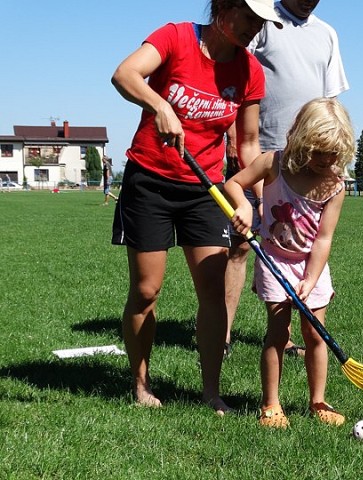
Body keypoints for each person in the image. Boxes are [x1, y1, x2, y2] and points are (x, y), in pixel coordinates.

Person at [110, 0, 282, 411]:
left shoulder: (249, 71)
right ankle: (141, 385)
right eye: (248, 17)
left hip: (205, 190)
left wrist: (255, 204)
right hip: (150, 181)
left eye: (261, 22)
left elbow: (247, 143)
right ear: (223, 7)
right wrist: (160, 105)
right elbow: (124, 74)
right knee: (147, 290)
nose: (254, 29)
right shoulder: (175, 37)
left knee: (212, 291)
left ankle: (210, 391)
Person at [224, 0, 349, 358]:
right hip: (261, 152)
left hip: (311, 163)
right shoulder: (264, 20)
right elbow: (235, 74)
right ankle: (224, 332)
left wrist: (330, 150)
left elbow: (331, 101)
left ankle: (286, 334)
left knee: (297, 243)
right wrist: (234, 137)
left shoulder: (326, 34)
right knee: (242, 244)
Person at [224, 97, 356, 428]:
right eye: (318, 152)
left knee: (315, 333)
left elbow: (323, 239)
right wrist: (244, 206)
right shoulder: (273, 163)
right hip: (274, 260)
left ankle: (318, 402)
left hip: (311, 264)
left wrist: (311, 280)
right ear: (301, 139)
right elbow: (233, 184)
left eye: (333, 155)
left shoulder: (334, 184)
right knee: (278, 333)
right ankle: (271, 404)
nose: (326, 161)